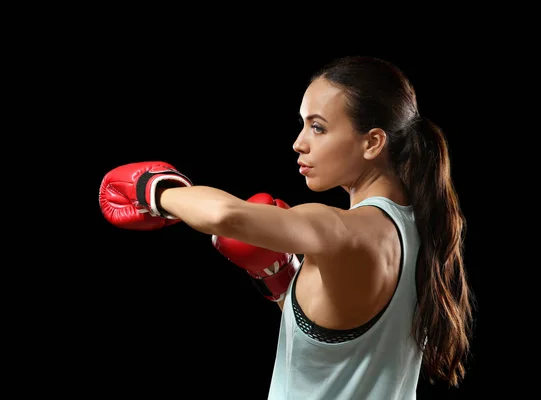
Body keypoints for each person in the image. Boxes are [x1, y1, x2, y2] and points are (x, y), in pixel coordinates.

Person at [99, 55, 475, 399]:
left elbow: (224, 217)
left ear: (373, 142)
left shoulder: (342, 230)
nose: (299, 143)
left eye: (318, 128)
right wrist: (280, 280)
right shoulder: (420, 230)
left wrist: (151, 188)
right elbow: (341, 349)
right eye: (303, 125)